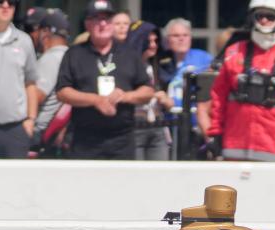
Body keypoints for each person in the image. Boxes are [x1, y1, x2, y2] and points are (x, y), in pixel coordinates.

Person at [207, 0, 275, 162]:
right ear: (251, 18)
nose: (264, 21)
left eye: (270, 17)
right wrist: (215, 133)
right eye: (260, 16)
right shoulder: (233, 54)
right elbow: (218, 98)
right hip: (234, 148)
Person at [56, 0, 154, 160]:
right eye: (96, 19)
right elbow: (62, 92)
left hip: (122, 141)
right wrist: (96, 100)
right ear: (87, 24)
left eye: (107, 19)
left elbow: (148, 90)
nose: (102, 24)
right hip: (85, 140)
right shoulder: (74, 54)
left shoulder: (129, 54)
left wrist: (124, 96)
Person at [0, 0, 38, 159]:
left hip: (15, 129)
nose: (6, 6)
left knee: (15, 182)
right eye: (0, 2)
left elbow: (30, 83)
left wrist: (31, 119)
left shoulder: (24, 41)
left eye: (11, 2)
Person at [127, 20, 171, 160]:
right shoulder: (125, 67)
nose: (153, 45)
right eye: (148, 41)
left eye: (155, 41)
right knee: (136, 175)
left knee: (160, 174)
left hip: (157, 126)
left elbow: (168, 102)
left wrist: (166, 100)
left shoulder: (156, 67)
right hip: (135, 126)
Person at [160, 18, 213, 119]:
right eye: (176, 35)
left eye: (185, 35)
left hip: (196, 122)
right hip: (168, 123)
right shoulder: (160, 61)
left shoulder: (204, 59)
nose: (181, 39)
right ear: (167, 39)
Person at [32, 9, 69, 146]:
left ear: (45, 32)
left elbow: (34, 98)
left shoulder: (50, 59)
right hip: (53, 133)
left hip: (38, 131)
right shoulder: (71, 56)